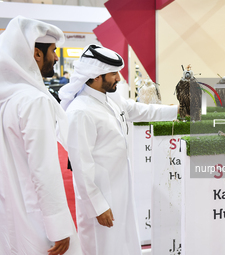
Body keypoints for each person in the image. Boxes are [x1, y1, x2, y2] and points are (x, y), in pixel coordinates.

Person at [58, 44, 178, 255]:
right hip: (101, 194)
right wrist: (98, 205)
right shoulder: (81, 111)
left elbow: (141, 111)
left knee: (124, 240)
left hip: (120, 187)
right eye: (113, 73)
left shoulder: (110, 99)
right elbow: (80, 165)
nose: (119, 78)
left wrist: (178, 111)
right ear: (95, 76)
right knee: (103, 245)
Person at [0, 16, 82, 255]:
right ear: (36, 54)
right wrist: (59, 226)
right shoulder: (33, 101)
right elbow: (43, 168)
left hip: (11, 213)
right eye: (53, 51)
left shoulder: (7, 99)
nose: (56, 58)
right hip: (37, 220)